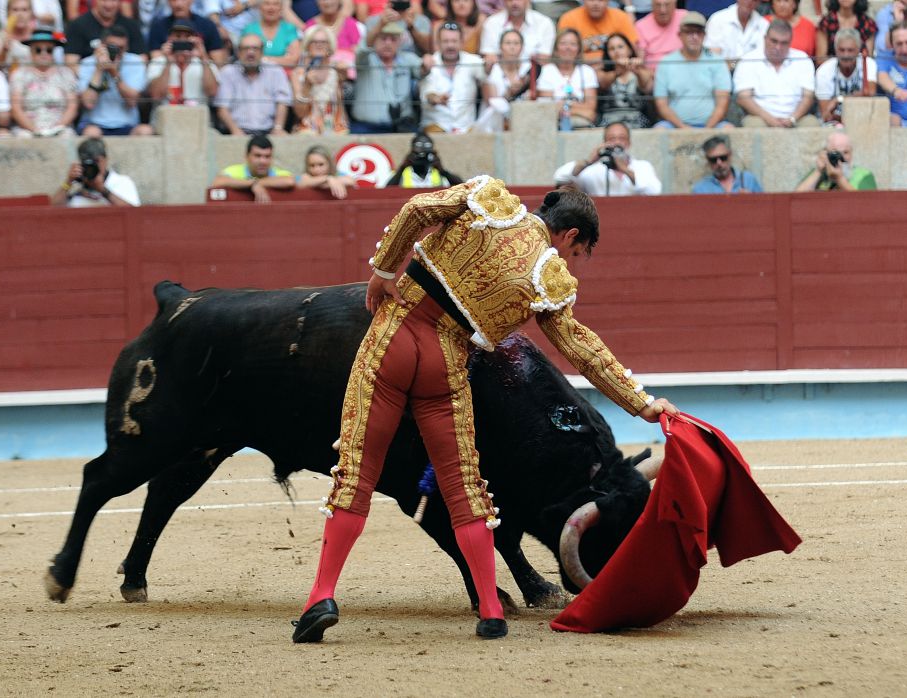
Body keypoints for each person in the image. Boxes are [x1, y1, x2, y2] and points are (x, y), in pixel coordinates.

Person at [290, 178, 677, 644]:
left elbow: (416, 208)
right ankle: (491, 610)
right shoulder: (548, 277)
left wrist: (385, 270)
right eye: (575, 253)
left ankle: (321, 596)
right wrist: (644, 404)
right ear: (570, 235)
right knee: (463, 487)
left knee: (357, 471)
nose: (569, 261)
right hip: (446, 361)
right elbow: (581, 348)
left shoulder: (489, 197)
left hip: (395, 334)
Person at [653, 11, 732, 128]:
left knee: (728, 129)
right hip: (675, 126)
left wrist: (707, 130)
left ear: (704, 35)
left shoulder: (717, 61)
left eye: (698, 32)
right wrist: (683, 128)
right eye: (689, 32)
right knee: (659, 130)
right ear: (680, 35)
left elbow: (723, 103)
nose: (694, 37)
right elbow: (661, 104)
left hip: (711, 126)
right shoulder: (666, 62)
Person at [734, 19, 818, 127]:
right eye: (774, 41)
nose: (778, 47)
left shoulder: (802, 59)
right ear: (765, 39)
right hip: (760, 118)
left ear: (790, 42)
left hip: (796, 118)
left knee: (811, 123)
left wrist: (792, 119)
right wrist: (770, 120)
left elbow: (808, 96)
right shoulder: (748, 60)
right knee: (753, 125)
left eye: (784, 43)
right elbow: (743, 98)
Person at [77, 25, 154, 135]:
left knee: (145, 131)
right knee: (91, 132)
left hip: (128, 124)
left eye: (121, 48)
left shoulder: (136, 62)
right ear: (102, 46)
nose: (116, 52)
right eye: (112, 47)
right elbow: (88, 103)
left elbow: (132, 101)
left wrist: (114, 73)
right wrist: (98, 70)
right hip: (94, 124)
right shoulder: (87, 63)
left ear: (127, 47)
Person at [349, 21, 423, 133]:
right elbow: (361, 51)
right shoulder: (366, 59)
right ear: (374, 40)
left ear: (400, 42)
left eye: (393, 39)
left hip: (402, 126)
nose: (388, 43)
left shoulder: (408, 58)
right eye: (383, 38)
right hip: (366, 127)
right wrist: (379, 25)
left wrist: (427, 64)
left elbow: (423, 70)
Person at [554, 121, 662, 195]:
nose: (617, 143)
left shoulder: (643, 166)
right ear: (604, 142)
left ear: (628, 143)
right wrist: (589, 161)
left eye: (622, 138)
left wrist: (625, 169)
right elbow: (560, 177)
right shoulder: (592, 170)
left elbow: (655, 190)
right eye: (612, 139)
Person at [215, 32, 293, 135]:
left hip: (269, 131)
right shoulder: (228, 72)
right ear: (238, 52)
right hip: (236, 131)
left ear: (262, 52)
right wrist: (235, 130)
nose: (250, 53)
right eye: (246, 49)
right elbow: (222, 107)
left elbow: (283, 102)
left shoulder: (275, 70)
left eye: (255, 49)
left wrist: (278, 127)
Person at [419, 21, 485, 133]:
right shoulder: (429, 63)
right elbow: (427, 95)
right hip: (437, 126)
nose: (450, 45)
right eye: (446, 41)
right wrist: (436, 98)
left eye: (454, 41)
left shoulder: (472, 61)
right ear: (438, 43)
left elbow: (488, 74)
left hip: (466, 128)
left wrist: (489, 65)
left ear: (462, 43)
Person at [10, 28, 78, 136]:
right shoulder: (20, 74)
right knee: (23, 137)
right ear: (31, 51)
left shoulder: (66, 73)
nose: (44, 53)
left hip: (60, 128)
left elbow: (72, 107)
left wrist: (56, 128)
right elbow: (16, 109)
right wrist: (34, 130)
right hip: (28, 129)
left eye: (49, 50)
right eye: (38, 50)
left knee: (67, 135)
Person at [146, 18, 220, 106]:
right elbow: (156, 95)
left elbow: (212, 92)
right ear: (169, 39)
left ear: (196, 39)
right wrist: (168, 62)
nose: (182, 40)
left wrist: (203, 57)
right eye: (178, 36)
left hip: (197, 116)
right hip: (166, 117)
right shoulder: (157, 62)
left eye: (187, 37)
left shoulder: (206, 63)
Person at [536, 28, 598, 130]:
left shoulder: (587, 71)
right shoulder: (547, 70)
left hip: (583, 125)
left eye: (573, 44)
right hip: (552, 125)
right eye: (563, 43)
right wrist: (579, 108)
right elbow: (547, 108)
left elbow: (590, 110)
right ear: (556, 49)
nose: (568, 48)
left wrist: (562, 107)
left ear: (578, 50)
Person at [290, 25, 349, 133]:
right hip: (308, 129)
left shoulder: (338, 69)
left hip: (336, 129)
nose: (319, 45)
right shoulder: (297, 74)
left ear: (330, 46)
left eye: (323, 42)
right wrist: (307, 86)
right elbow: (300, 114)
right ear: (307, 46)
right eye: (314, 42)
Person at [51, 136, 141, 206]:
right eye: (87, 162)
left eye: (96, 161)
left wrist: (103, 190)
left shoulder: (122, 182)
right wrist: (68, 182)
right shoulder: (76, 185)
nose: (93, 166)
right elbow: (53, 210)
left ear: (105, 159)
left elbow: (134, 215)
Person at [814, 27, 877, 125]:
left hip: (862, 119)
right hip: (833, 123)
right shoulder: (824, 71)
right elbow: (826, 114)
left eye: (850, 50)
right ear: (835, 50)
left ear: (858, 50)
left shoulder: (868, 63)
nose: (846, 55)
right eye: (842, 50)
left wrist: (839, 99)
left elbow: (870, 92)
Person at [211, 133, 296, 202]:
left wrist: (256, 183)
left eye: (267, 156)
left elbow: (290, 181)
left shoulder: (277, 173)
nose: (263, 161)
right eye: (257, 156)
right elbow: (217, 182)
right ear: (247, 156)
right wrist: (252, 184)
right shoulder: (235, 170)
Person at [476, 27, 531, 130]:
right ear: (500, 47)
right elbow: (492, 102)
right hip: (491, 126)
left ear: (522, 48)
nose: (512, 47)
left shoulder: (528, 70)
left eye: (516, 43)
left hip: (520, 125)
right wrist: (511, 92)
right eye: (508, 43)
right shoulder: (491, 69)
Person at [65, 0, 147, 68]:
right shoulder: (78, 25)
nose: (109, 5)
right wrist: (89, 75)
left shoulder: (131, 26)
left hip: (125, 78)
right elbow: (71, 62)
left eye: (113, 0)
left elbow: (142, 60)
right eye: (104, 0)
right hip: (89, 78)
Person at [596, 32, 653, 128]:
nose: (617, 51)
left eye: (620, 47)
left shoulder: (642, 71)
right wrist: (617, 72)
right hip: (609, 122)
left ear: (630, 50)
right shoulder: (601, 73)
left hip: (637, 121)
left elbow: (646, 88)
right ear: (607, 54)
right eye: (612, 49)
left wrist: (637, 71)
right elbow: (603, 84)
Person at [479, 0, 556, 70]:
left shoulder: (544, 23)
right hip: (500, 80)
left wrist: (523, 79)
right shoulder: (491, 23)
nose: (514, 3)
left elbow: (543, 60)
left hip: (534, 78)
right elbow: (489, 58)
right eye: (510, 0)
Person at [557, 0, 639, 65]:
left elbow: (633, 50)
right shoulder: (568, 18)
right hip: (579, 69)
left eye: (601, 0)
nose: (595, 4)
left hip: (614, 69)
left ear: (608, 1)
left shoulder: (621, 17)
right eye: (591, 0)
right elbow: (562, 55)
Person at [149, 0, 227, 66]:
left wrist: (202, 55)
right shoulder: (158, 26)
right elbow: (154, 61)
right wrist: (165, 55)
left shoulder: (207, 25)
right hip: (169, 71)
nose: (178, 4)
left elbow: (219, 62)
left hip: (199, 70)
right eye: (173, 0)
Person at [795, 131, 877, 190]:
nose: (841, 158)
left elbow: (866, 204)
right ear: (826, 153)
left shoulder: (864, 175)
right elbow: (795, 200)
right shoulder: (819, 173)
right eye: (836, 152)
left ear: (852, 153)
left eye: (846, 152)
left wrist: (840, 179)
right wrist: (818, 171)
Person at [877, 22, 907, 126]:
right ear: (891, 45)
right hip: (896, 118)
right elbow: (882, 77)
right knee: (891, 120)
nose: (904, 49)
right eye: (899, 44)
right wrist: (896, 91)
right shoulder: (884, 58)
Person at [386, 131, 463, 186]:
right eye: (417, 153)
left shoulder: (439, 173)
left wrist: (443, 171)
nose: (422, 157)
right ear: (411, 152)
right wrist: (402, 168)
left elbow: (462, 188)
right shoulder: (402, 173)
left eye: (426, 153)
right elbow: (385, 192)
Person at [691, 134, 763, 193]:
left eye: (723, 158)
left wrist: (751, 200)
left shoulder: (748, 179)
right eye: (713, 160)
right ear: (707, 160)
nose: (719, 163)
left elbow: (764, 207)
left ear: (730, 155)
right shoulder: (701, 189)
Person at [304, 0, 362, 73]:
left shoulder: (350, 23)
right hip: (317, 72)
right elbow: (305, 53)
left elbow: (358, 51)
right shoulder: (310, 25)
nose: (328, 2)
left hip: (346, 75)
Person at [704, 0, 768, 65]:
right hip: (721, 72)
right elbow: (710, 58)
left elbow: (763, 59)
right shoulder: (718, 20)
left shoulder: (764, 25)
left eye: (754, 0)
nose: (750, 2)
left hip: (753, 73)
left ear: (759, 2)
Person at [242, 0, 301, 68]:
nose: (271, 8)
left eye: (276, 4)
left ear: (281, 8)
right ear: (260, 7)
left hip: (284, 73)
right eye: (267, 3)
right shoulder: (250, 29)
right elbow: (244, 57)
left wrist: (263, 59)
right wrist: (282, 59)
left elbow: (293, 60)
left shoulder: (289, 28)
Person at [364, 0, 432, 55]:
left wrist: (411, 28)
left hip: (412, 66)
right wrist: (380, 24)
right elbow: (366, 47)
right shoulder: (373, 21)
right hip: (381, 66)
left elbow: (428, 49)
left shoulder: (421, 20)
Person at [635, 0, 686, 69]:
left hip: (684, 69)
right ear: (652, 5)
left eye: (667, 5)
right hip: (653, 73)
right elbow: (640, 60)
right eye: (658, 5)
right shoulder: (640, 25)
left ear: (675, 4)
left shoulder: (685, 18)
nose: (663, 10)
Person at [0, 0, 36, 70]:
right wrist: (4, 51)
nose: (20, 14)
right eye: (15, 10)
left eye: (24, 10)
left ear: (31, 13)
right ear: (8, 13)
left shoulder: (39, 35)